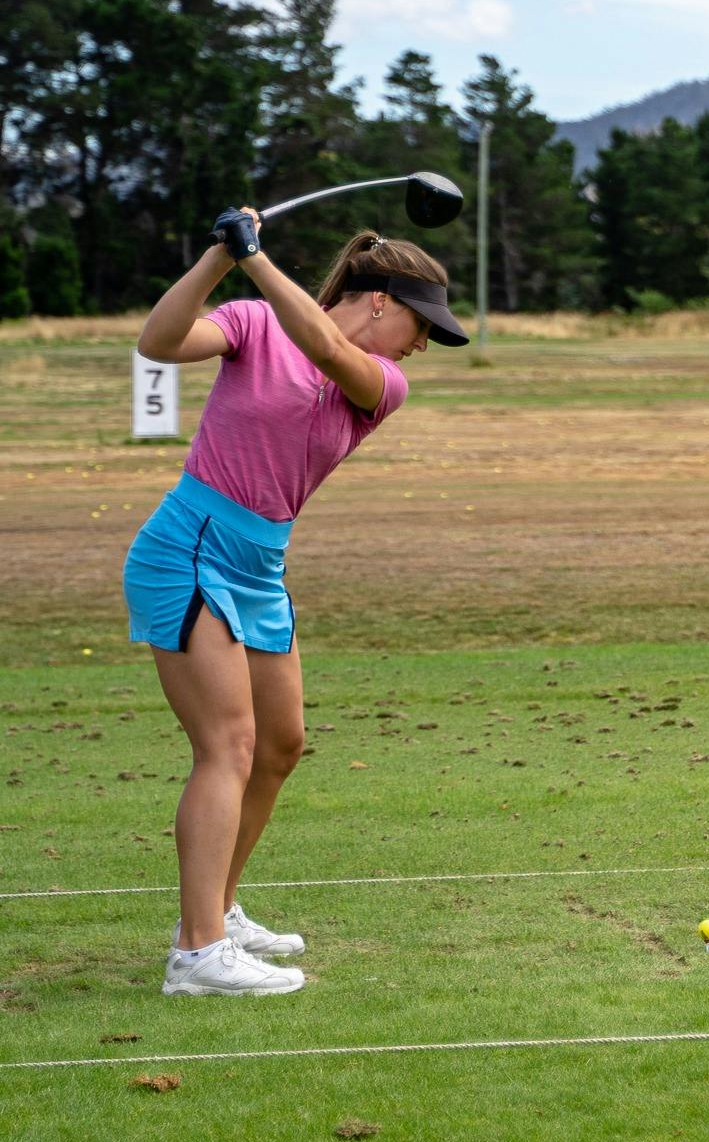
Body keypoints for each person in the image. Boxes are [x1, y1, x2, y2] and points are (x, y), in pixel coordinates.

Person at [124, 210, 466, 995]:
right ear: (379, 299)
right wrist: (221, 256)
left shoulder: (383, 385)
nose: (422, 344)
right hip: (192, 548)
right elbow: (159, 343)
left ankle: (216, 908)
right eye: (421, 323)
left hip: (259, 566)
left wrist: (257, 259)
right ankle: (198, 954)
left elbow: (321, 344)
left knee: (280, 745)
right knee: (229, 746)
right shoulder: (250, 323)